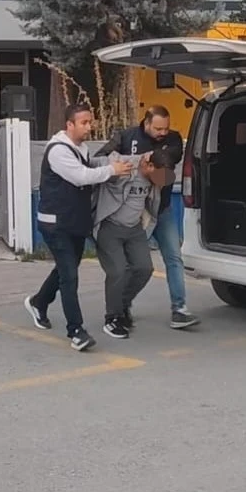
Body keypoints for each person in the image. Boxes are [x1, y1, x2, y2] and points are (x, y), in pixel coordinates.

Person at [24, 102, 132, 350]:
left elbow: (88, 173)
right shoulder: (58, 150)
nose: (89, 127)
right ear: (69, 124)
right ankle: (76, 331)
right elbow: (81, 177)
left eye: (90, 122)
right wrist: (111, 170)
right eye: (84, 123)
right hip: (55, 224)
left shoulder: (80, 148)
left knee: (67, 269)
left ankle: (39, 302)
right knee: (70, 276)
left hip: (74, 222)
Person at [100, 106, 200, 329]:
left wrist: (149, 159)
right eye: (157, 128)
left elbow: (170, 158)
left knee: (174, 257)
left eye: (166, 128)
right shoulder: (126, 137)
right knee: (134, 266)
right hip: (134, 213)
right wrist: (135, 160)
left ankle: (179, 309)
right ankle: (121, 306)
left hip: (161, 209)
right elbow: (103, 157)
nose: (163, 132)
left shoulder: (173, 139)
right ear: (146, 123)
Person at [94, 147, 175, 339]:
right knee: (118, 271)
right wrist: (110, 170)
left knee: (144, 268)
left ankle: (122, 305)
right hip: (110, 226)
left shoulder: (158, 175)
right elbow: (91, 163)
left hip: (135, 229)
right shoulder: (124, 165)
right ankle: (113, 318)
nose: (160, 181)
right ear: (149, 165)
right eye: (157, 175)